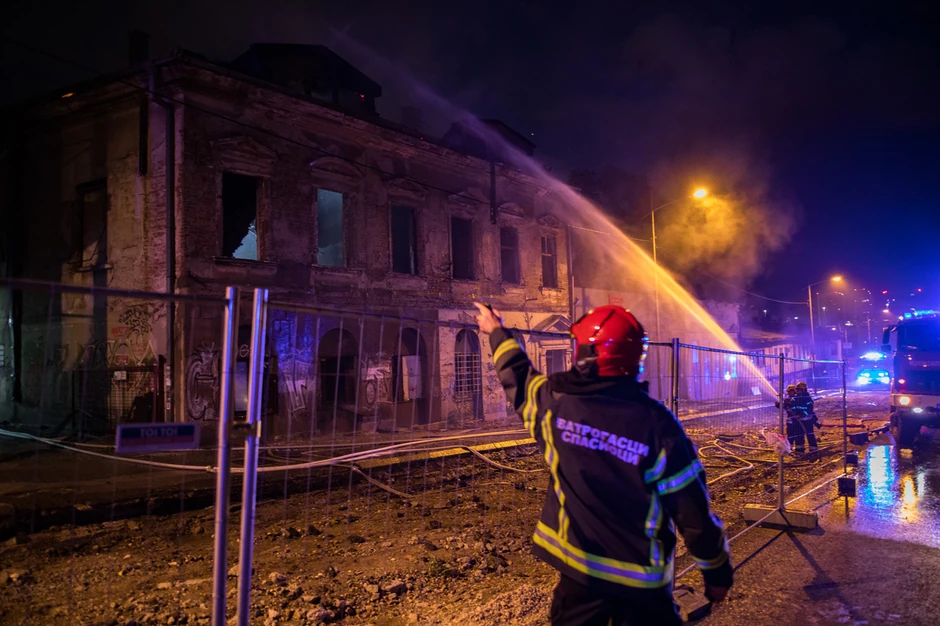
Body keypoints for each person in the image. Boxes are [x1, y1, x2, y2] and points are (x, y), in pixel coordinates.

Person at [474, 302, 733, 626]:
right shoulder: (659, 426)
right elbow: (692, 512)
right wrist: (716, 570)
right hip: (643, 585)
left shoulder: (555, 405)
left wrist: (496, 331)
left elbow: (519, 376)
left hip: (580, 575)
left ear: (584, 353)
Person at [792, 382, 818, 452]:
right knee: (799, 435)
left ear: (804, 390)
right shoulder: (795, 398)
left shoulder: (807, 398)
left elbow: (809, 408)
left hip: (807, 419)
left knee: (810, 434)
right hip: (798, 419)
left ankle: (813, 449)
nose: (798, 391)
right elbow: (793, 407)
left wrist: (803, 413)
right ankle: (799, 449)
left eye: (799, 389)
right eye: (797, 389)